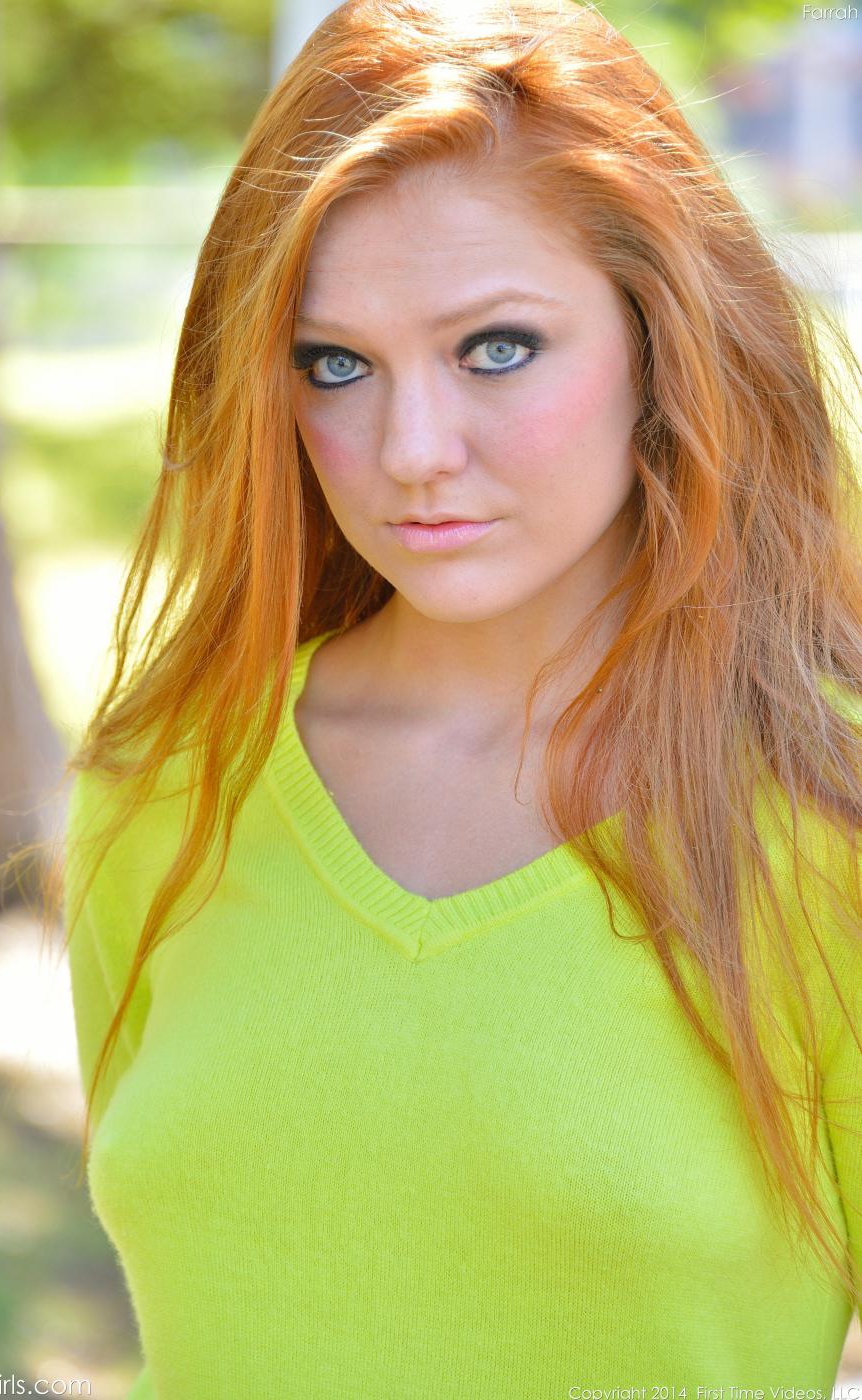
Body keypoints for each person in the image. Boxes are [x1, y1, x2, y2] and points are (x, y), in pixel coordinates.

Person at [58, 0, 862, 1395]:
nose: (412, 451)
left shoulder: (826, 816)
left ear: (659, 341)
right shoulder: (167, 779)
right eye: (335, 365)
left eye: (496, 347)